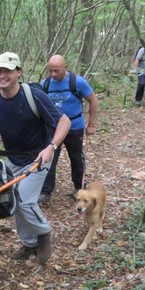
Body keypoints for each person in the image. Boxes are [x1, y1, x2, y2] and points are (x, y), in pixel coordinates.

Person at [0, 52, 70, 263]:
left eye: (8, 71)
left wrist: (51, 147)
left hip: (37, 158)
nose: (2, 75)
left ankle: (44, 233)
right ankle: (30, 244)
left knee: (24, 201)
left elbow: (64, 122)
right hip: (12, 160)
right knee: (13, 201)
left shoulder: (33, 95)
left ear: (18, 72)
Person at [38, 54, 98, 205]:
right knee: (49, 158)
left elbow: (92, 100)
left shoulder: (77, 82)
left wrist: (91, 124)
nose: (53, 74)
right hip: (54, 128)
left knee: (77, 158)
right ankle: (45, 192)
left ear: (65, 67)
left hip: (74, 126)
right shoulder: (45, 84)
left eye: (56, 71)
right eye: (50, 70)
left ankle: (79, 188)